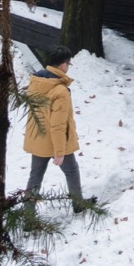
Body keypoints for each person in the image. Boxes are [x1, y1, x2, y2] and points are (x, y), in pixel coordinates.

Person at [23, 45, 84, 204]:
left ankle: (29, 216)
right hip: (56, 141)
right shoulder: (60, 91)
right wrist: (59, 151)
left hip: (38, 138)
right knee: (71, 171)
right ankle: (78, 204)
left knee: (35, 177)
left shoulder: (36, 82)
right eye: (69, 64)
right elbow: (58, 125)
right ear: (63, 65)